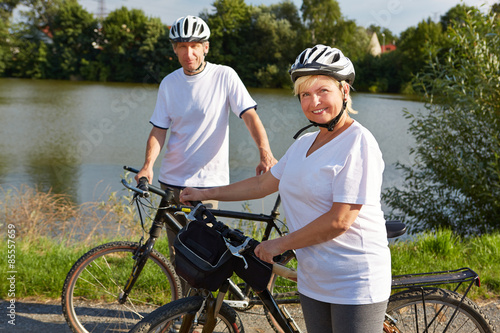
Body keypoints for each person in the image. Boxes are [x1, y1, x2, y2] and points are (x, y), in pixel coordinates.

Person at [180, 44, 391, 333]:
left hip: (354, 280)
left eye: (322, 91)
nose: (313, 101)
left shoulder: (358, 142)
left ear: (344, 91)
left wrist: (278, 245)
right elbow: (262, 184)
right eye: (305, 94)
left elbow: (340, 220)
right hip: (313, 278)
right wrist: (205, 194)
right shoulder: (305, 143)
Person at [135, 15, 276, 261]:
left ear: (205, 47)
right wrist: (147, 166)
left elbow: (249, 116)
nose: (189, 53)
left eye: (194, 46)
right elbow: (159, 129)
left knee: (203, 258)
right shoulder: (169, 83)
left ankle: (206, 301)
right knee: (178, 257)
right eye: (182, 46)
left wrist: (265, 152)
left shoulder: (224, 76)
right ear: (175, 50)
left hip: (207, 185)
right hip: (172, 184)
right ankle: (183, 301)